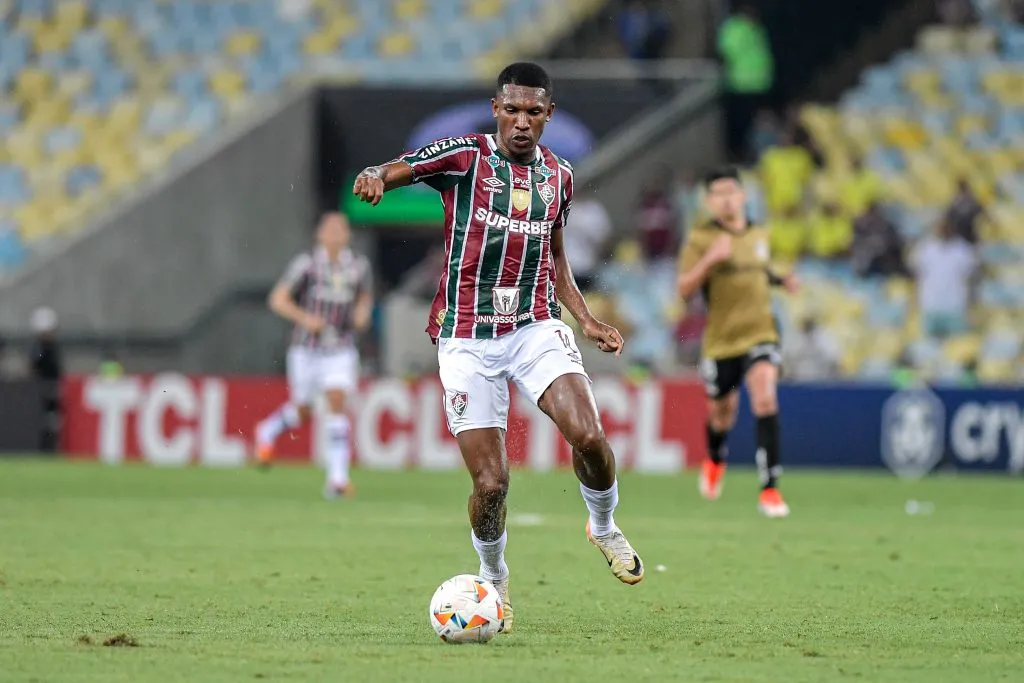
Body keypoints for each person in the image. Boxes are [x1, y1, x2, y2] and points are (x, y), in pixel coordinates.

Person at [351, 62, 646, 633]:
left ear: (548, 116)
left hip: (534, 325)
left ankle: (604, 526)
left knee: (588, 434)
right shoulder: (466, 157)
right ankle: (495, 577)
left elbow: (554, 254)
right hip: (465, 336)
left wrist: (583, 318)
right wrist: (372, 175)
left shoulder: (559, 176)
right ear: (496, 109)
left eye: (533, 112)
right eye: (511, 110)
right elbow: (401, 168)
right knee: (491, 485)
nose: (521, 122)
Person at [677, 167, 797, 518]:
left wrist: (781, 279)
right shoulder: (701, 239)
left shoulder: (759, 232)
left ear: (742, 195)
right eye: (718, 194)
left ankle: (770, 489)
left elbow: (759, 268)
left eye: (731, 191)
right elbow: (684, 289)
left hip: (761, 332)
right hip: (722, 341)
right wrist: (711, 260)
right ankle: (715, 458)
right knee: (722, 413)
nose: (726, 199)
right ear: (709, 202)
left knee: (764, 395)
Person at [253, 212, 373, 498]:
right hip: (306, 349)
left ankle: (337, 479)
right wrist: (306, 319)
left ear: (347, 235)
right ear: (319, 234)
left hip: (340, 347)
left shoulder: (358, 266)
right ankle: (267, 430)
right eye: (329, 229)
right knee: (303, 409)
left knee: (336, 399)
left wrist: (361, 315)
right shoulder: (307, 264)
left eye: (339, 229)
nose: (334, 234)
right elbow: (278, 299)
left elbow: (364, 297)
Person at [717, 2, 775, 161]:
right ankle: (740, 155)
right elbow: (726, 53)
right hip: (741, 85)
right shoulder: (734, 28)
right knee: (742, 126)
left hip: (759, 85)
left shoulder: (756, 28)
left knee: (758, 126)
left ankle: (755, 155)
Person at [911, 220, 978, 338]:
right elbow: (917, 277)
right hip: (930, 305)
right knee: (929, 346)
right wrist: (915, 301)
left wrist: (970, 304)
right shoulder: (924, 248)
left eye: (946, 228)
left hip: (955, 306)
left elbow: (971, 278)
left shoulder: (963, 250)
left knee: (956, 345)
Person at [28, 306, 63, 452]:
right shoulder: (39, 349)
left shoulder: (51, 348)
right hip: (42, 392)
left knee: (53, 422)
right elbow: (34, 368)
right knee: (45, 422)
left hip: (52, 389)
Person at [562, 192, 612, 292]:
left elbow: (604, 238)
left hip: (587, 267)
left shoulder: (593, 209)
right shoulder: (562, 209)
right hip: (567, 268)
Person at [782, 317, 840, 381]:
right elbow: (786, 363)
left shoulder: (826, 339)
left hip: (822, 382)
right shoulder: (792, 339)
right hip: (796, 383)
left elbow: (834, 362)